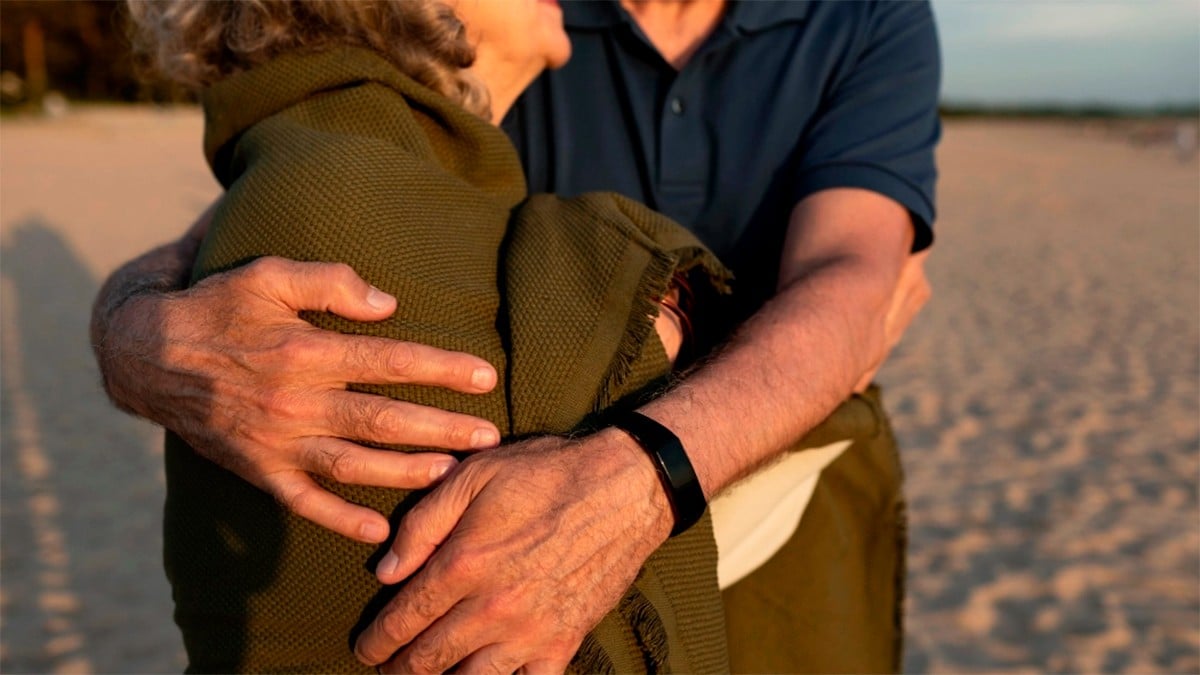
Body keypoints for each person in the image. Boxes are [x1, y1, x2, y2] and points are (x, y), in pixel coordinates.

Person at [93, 0, 939, 672]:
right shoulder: (526, 21)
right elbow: (255, 209)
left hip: (771, 492)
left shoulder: (864, 17)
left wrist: (642, 475)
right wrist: (134, 333)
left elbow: (855, 276)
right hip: (535, 504)